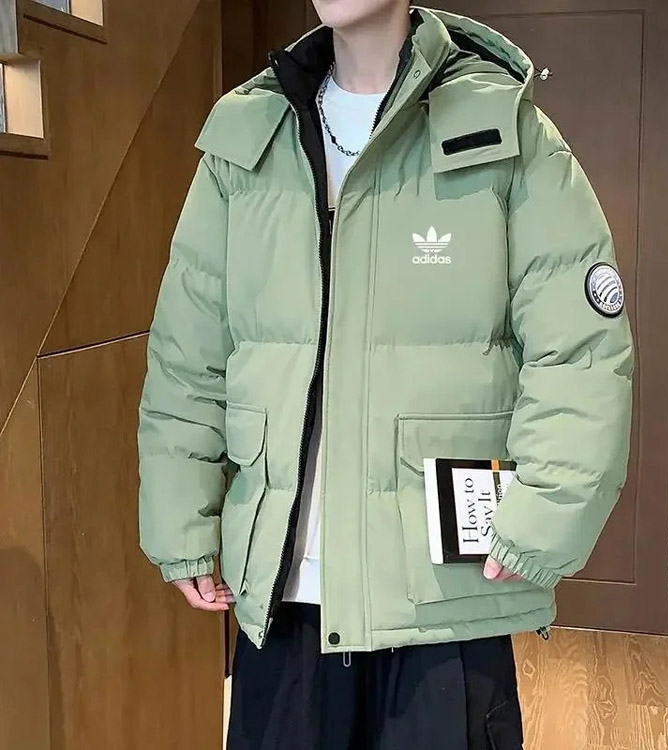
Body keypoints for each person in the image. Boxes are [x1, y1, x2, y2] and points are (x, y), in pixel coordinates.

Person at [137, 2, 634, 748]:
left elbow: (580, 350)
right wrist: (181, 516)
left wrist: (544, 515)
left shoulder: (507, 129)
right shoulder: (248, 137)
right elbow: (190, 351)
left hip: (440, 604)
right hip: (283, 597)